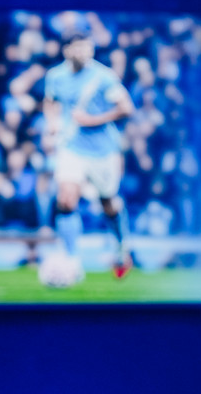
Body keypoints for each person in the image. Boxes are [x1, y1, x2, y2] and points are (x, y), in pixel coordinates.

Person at [43, 30, 136, 279]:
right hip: (72, 147)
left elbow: (127, 108)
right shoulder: (56, 76)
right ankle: (71, 260)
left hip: (103, 151)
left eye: (88, 47)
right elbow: (50, 101)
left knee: (108, 203)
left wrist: (94, 120)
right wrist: (52, 124)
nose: (85, 53)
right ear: (67, 51)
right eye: (79, 48)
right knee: (66, 199)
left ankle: (121, 248)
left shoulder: (102, 77)